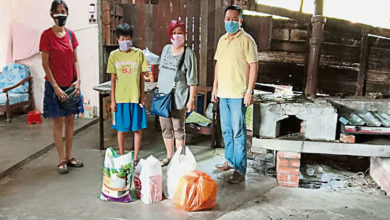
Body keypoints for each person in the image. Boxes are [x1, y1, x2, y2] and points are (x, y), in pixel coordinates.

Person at [212, 5, 258, 184]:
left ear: (240, 21)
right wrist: (215, 88)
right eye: (227, 18)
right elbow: (218, 65)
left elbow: (253, 65)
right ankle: (230, 161)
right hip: (223, 93)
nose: (230, 21)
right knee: (226, 130)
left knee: (238, 132)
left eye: (233, 19)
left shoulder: (247, 40)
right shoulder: (222, 40)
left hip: (239, 94)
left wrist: (249, 91)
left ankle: (240, 169)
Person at [40, 0, 84, 174]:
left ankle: (69, 156)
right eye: (57, 11)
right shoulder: (46, 35)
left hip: (71, 84)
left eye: (63, 11)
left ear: (67, 13)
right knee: (58, 122)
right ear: (52, 14)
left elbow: (75, 60)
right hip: (54, 87)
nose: (61, 14)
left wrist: (78, 80)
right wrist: (56, 87)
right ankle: (61, 159)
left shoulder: (71, 35)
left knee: (71, 121)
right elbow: (45, 64)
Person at [157, 19, 198, 166]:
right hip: (164, 95)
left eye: (180, 33)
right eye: (174, 33)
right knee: (166, 127)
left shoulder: (188, 54)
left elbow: (192, 81)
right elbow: (161, 70)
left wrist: (191, 100)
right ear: (170, 35)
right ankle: (169, 156)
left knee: (178, 128)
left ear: (185, 35)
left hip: (179, 96)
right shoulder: (166, 49)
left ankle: (179, 159)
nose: (177, 36)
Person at [107, 23, 148, 166]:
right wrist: (112, 100)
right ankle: (123, 156)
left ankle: (135, 157)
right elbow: (112, 79)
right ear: (117, 39)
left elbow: (142, 77)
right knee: (121, 129)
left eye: (128, 38)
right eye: (122, 38)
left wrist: (142, 96)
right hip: (120, 98)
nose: (125, 41)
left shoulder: (139, 54)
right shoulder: (114, 55)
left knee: (137, 129)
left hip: (135, 97)